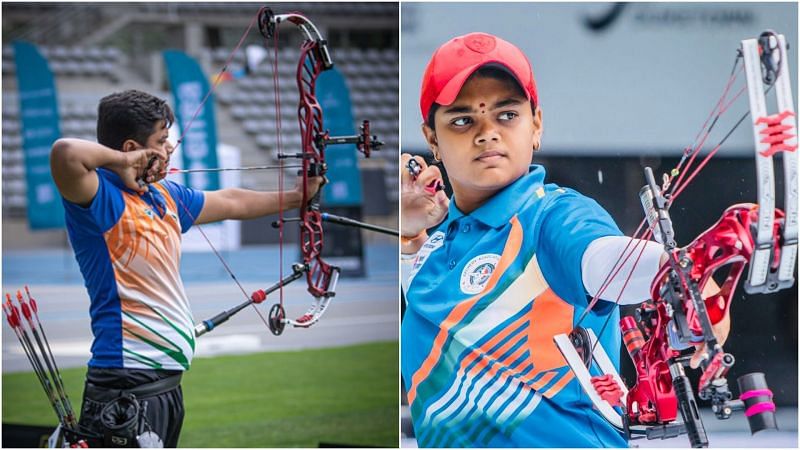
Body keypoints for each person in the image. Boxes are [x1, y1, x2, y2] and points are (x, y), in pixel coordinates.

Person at [400, 33, 728, 447]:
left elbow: (603, 257)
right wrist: (409, 232)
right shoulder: (436, 252)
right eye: (463, 120)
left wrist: (684, 277)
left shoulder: (553, 218)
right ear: (432, 139)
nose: (487, 133)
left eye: (506, 115)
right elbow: (445, 319)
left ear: (536, 125)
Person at [49, 90, 322, 447]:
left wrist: (299, 194)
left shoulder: (164, 195)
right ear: (133, 147)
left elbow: (231, 201)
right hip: (125, 382)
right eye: (162, 141)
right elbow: (64, 153)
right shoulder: (100, 198)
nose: (169, 150)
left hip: (165, 386)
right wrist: (123, 161)